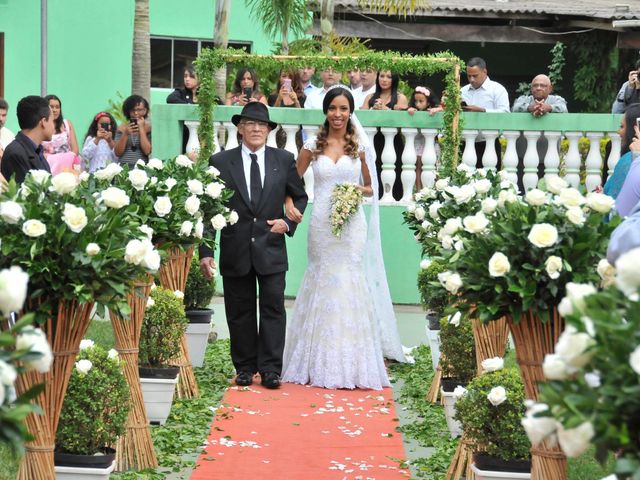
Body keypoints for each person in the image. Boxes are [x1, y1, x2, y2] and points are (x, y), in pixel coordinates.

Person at [282, 86, 405, 390]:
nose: (338, 115)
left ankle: (351, 360)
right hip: (322, 224)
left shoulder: (359, 146)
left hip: (351, 225)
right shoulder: (312, 145)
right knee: (322, 276)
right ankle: (314, 357)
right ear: (326, 111)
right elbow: (291, 181)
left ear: (351, 112)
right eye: (333, 108)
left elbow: (371, 187)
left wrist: (352, 192)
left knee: (349, 278)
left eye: (344, 109)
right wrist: (287, 203)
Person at [199, 102, 307, 390]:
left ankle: (271, 369)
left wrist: (288, 223)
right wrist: (206, 251)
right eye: (250, 123)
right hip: (236, 250)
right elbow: (209, 209)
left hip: (271, 248)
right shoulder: (220, 162)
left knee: (273, 308)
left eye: (262, 124)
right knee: (239, 310)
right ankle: (245, 367)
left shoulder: (283, 160)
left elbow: (300, 197)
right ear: (240, 128)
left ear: (269, 130)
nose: (256, 128)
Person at [461, 57, 509, 168]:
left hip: (489, 143)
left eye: (475, 75)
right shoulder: (462, 91)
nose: (472, 79)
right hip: (465, 143)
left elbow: (506, 114)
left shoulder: (497, 89)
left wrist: (483, 110)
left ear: (485, 71)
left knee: (490, 181)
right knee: (463, 181)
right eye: (469, 76)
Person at [0, 95, 54, 183]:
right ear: (43, 122)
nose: (53, 126)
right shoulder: (16, 153)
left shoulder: (37, 150)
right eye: (52, 120)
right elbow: (25, 194)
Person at [604, 103, 640, 200]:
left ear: (635, 130)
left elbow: (613, 202)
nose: (618, 131)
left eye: (622, 126)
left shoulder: (628, 160)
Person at [408, 86, 440, 189]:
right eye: (416, 101)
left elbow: (443, 108)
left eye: (421, 101)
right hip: (418, 141)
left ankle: (433, 188)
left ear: (428, 102)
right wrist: (410, 110)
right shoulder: (414, 110)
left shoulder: (433, 109)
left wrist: (437, 109)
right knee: (418, 166)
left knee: (433, 166)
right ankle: (418, 189)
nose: (417, 104)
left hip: (430, 142)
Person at [114, 94, 151, 167]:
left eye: (139, 110)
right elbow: (117, 152)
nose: (136, 113)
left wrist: (141, 129)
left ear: (145, 110)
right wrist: (125, 134)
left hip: (142, 168)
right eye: (133, 110)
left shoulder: (148, 129)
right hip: (124, 167)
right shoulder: (121, 128)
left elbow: (147, 151)